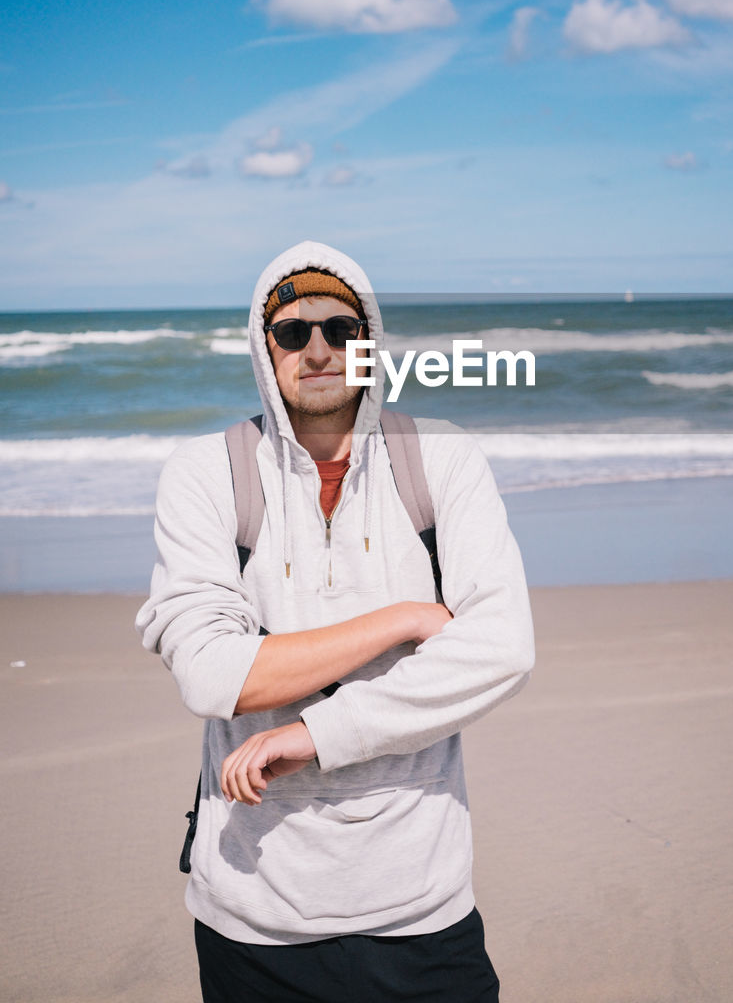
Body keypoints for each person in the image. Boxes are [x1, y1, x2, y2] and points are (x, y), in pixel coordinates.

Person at [136, 240, 535, 1002]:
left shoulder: (441, 458)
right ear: (265, 348)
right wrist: (403, 620)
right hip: (253, 915)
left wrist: (312, 734)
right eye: (292, 332)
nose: (317, 349)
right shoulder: (206, 471)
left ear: (368, 342)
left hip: (421, 904)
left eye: (340, 330)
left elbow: (503, 647)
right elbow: (214, 674)